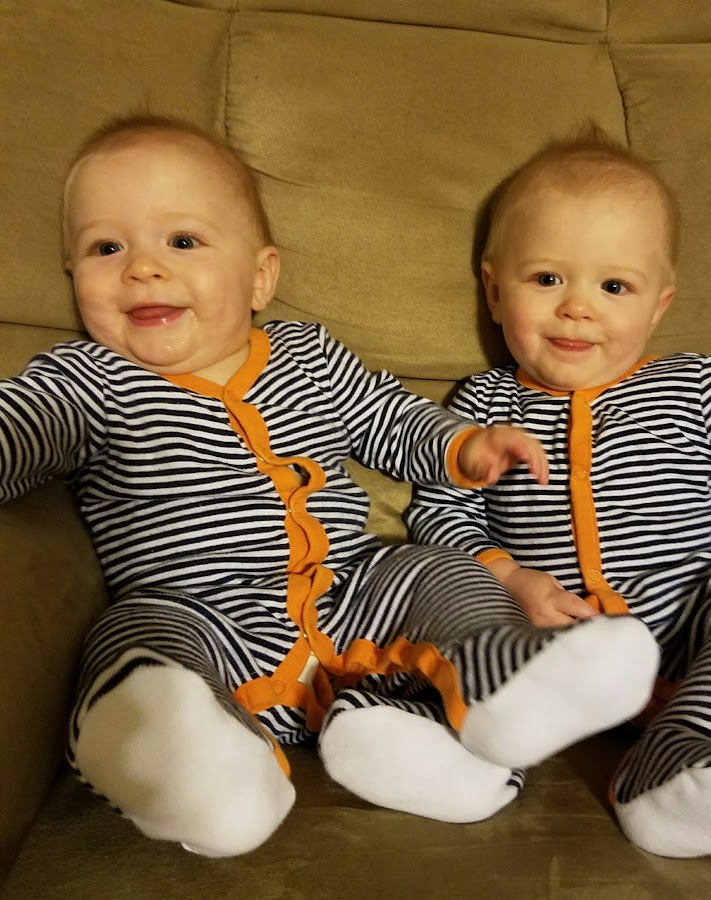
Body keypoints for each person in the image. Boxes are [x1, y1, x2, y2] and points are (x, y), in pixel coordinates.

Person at [0, 115, 662, 857]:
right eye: (106, 248)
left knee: (440, 573)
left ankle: (498, 689)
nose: (142, 269)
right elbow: (16, 431)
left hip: (354, 591)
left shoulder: (306, 354)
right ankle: (194, 772)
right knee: (136, 638)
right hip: (204, 617)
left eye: (181, 241)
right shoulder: (83, 381)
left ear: (260, 277)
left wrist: (464, 446)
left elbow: (391, 419)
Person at [406, 124, 711, 858]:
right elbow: (440, 514)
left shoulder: (695, 385)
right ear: (493, 289)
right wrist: (509, 578)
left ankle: (695, 756)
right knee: (460, 623)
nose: (578, 308)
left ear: (659, 306)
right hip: (555, 643)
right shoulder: (482, 408)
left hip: (696, 622)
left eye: (614, 287)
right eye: (547, 279)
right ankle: (466, 750)